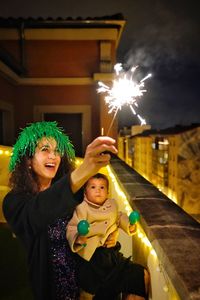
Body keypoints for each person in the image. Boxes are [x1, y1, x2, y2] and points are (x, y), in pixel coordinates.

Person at [2, 121, 118, 300]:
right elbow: (37, 213)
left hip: (84, 278)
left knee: (137, 278)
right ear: (28, 160)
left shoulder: (74, 194)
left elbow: (96, 213)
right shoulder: (14, 202)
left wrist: (111, 232)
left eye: (57, 151)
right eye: (45, 150)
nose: (53, 156)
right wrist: (85, 170)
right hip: (50, 289)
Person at [66, 173, 149, 300]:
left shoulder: (112, 205)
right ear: (85, 192)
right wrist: (78, 238)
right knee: (91, 291)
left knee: (139, 275)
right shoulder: (82, 209)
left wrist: (129, 224)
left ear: (108, 192)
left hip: (112, 256)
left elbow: (119, 217)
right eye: (93, 187)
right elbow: (71, 227)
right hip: (92, 261)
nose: (98, 191)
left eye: (102, 187)